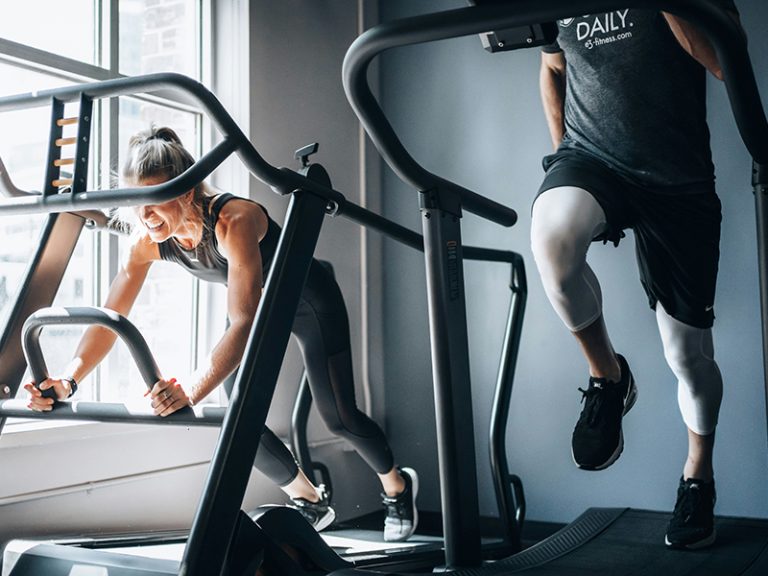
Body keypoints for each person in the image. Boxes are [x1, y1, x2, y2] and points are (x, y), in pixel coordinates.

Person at [24, 126, 418, 543]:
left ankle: (398, 486)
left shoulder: (234, 219)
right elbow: (110, 317)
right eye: (137, 203)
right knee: (238, 413)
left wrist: (189, 390)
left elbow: (244, 321)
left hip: (310, 303)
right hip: (257, 307)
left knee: (339, 417)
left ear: (189, 190)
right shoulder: (146, 240)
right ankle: (310, 499)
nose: (146, 216)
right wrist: (68, 381)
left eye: (156, 200)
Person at [532, 3, 742, 550]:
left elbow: (722, 60)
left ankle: (698, 474)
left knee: (688, 357)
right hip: (592, 158)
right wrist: (561, 154)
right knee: (553, 239)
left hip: (677, 179)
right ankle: (609, 377)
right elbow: (553, 66)